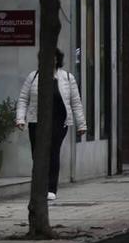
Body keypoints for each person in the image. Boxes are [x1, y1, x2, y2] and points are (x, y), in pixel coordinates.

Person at [15, 51, 87, 203]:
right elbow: (23, 99)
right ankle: (39, 187)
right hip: (37, 121)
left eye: (53, 58)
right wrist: (20, 118)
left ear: (57, 60)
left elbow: (75, 102)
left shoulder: (67, 78)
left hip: (59, 121)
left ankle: (51, 188)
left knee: (53, 152)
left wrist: (82, 124)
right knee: (37, 154)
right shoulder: (33, 77)